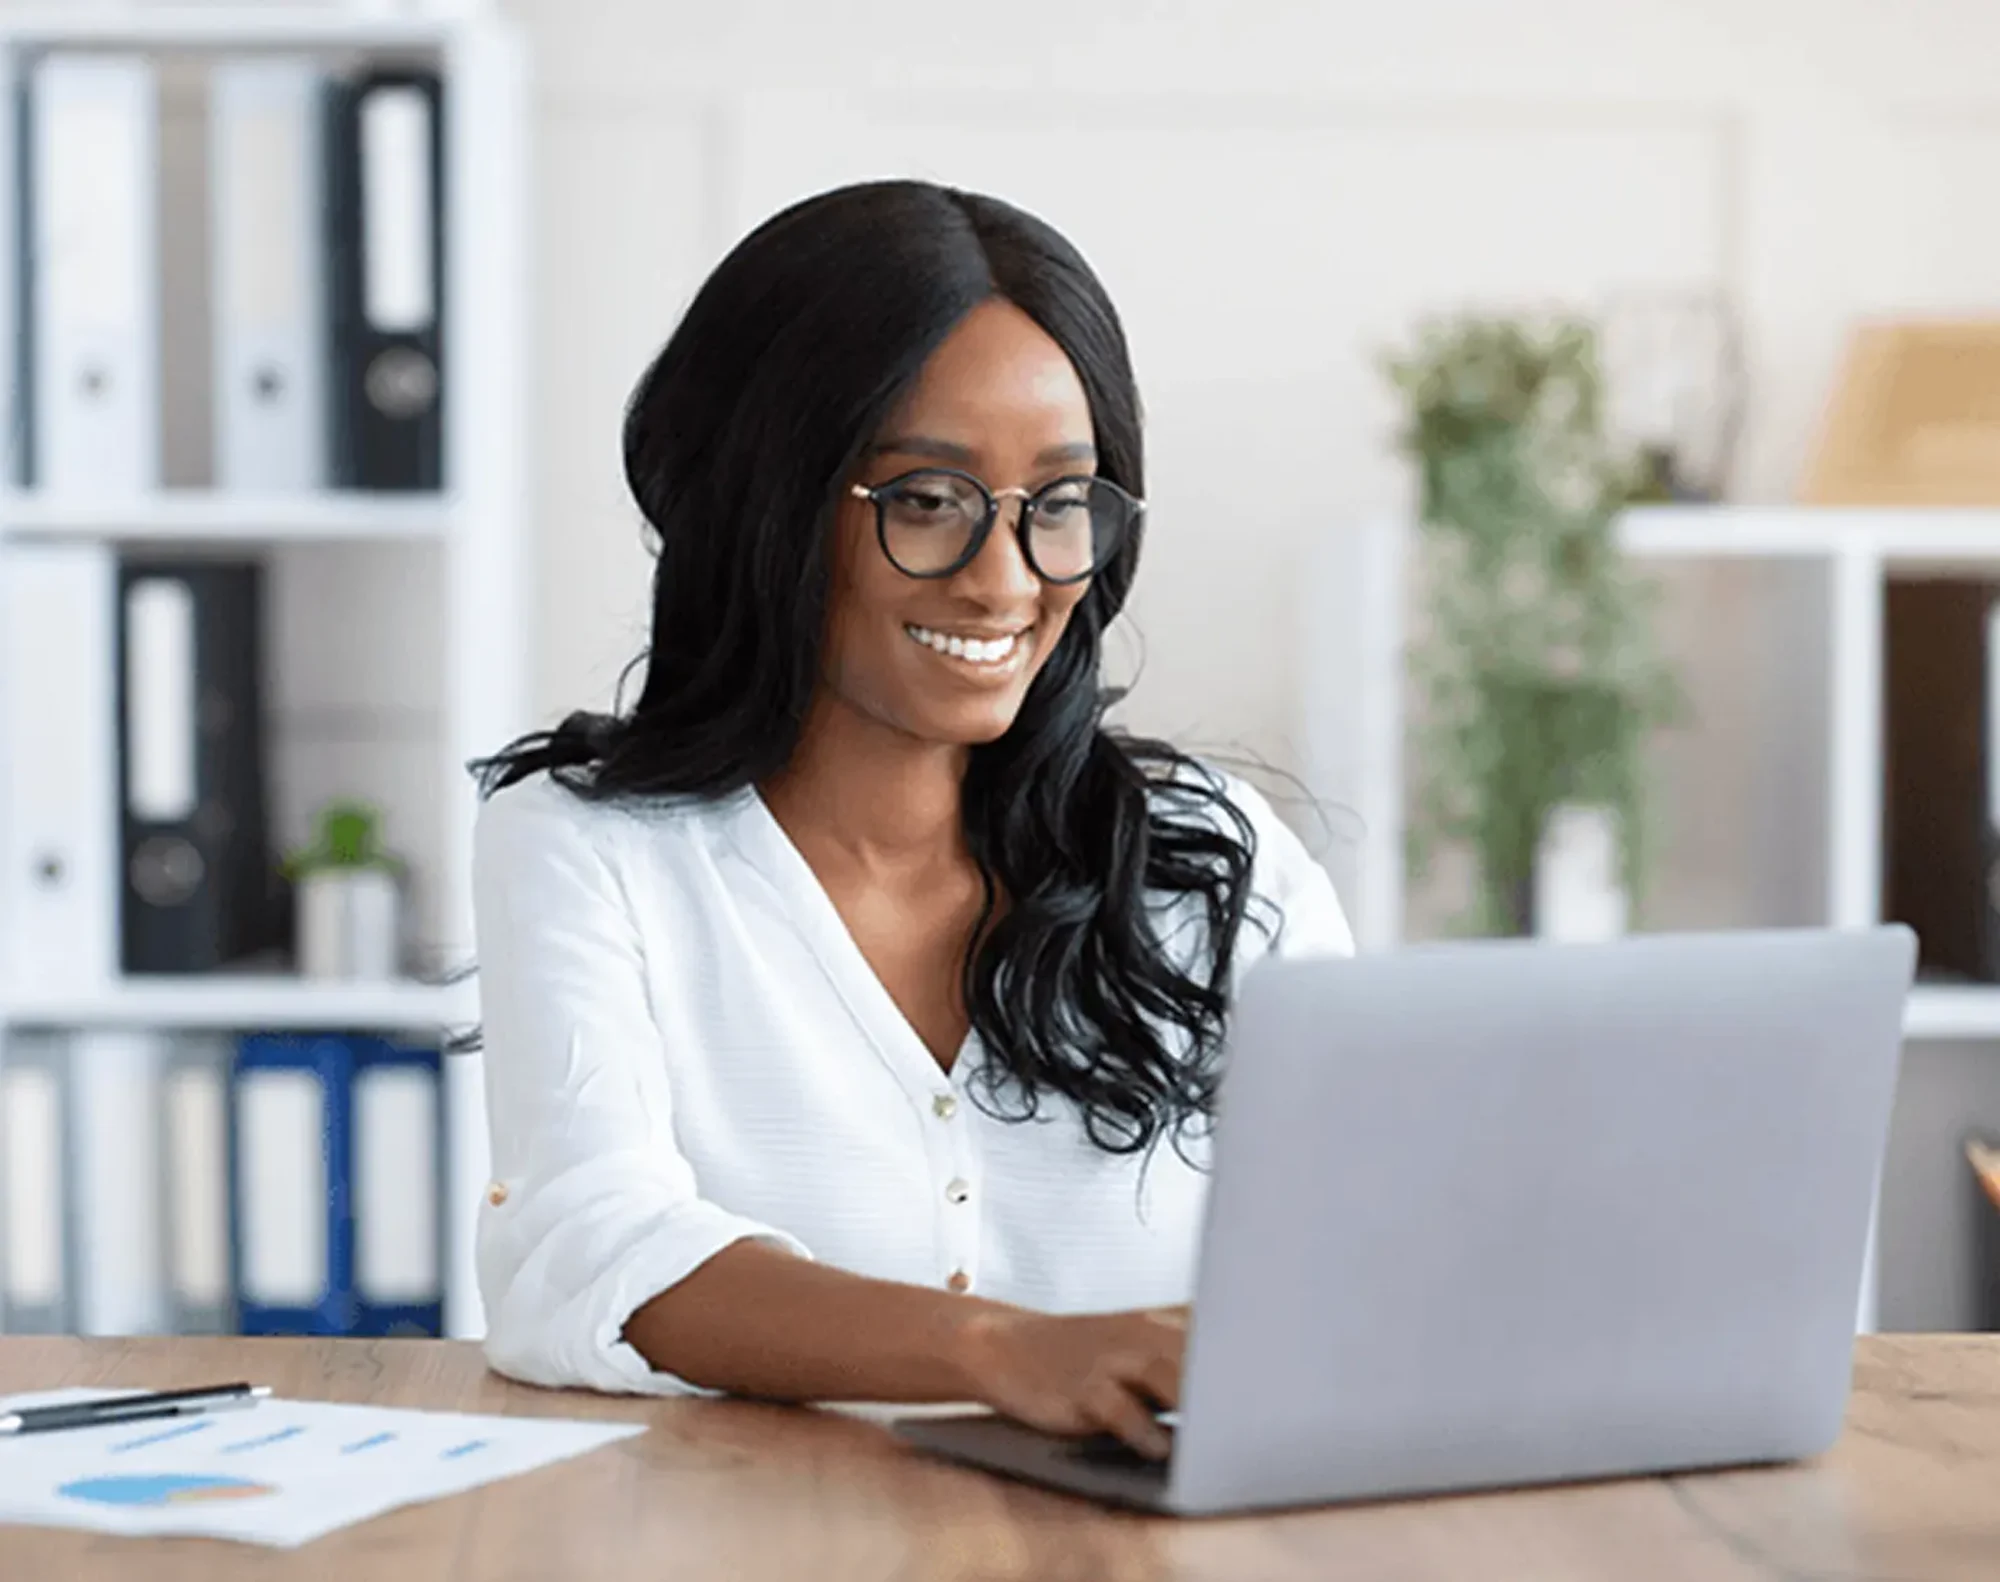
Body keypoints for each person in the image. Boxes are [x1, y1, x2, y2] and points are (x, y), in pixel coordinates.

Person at [469, 178, 1353, 1460]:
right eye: (928, 499)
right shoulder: (590, 851)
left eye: (1057, 504)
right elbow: (587, 1250)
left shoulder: (1216, 865)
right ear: (767, 503)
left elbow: (1370, 1250)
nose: (1005, 580)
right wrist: (1002, 1351)